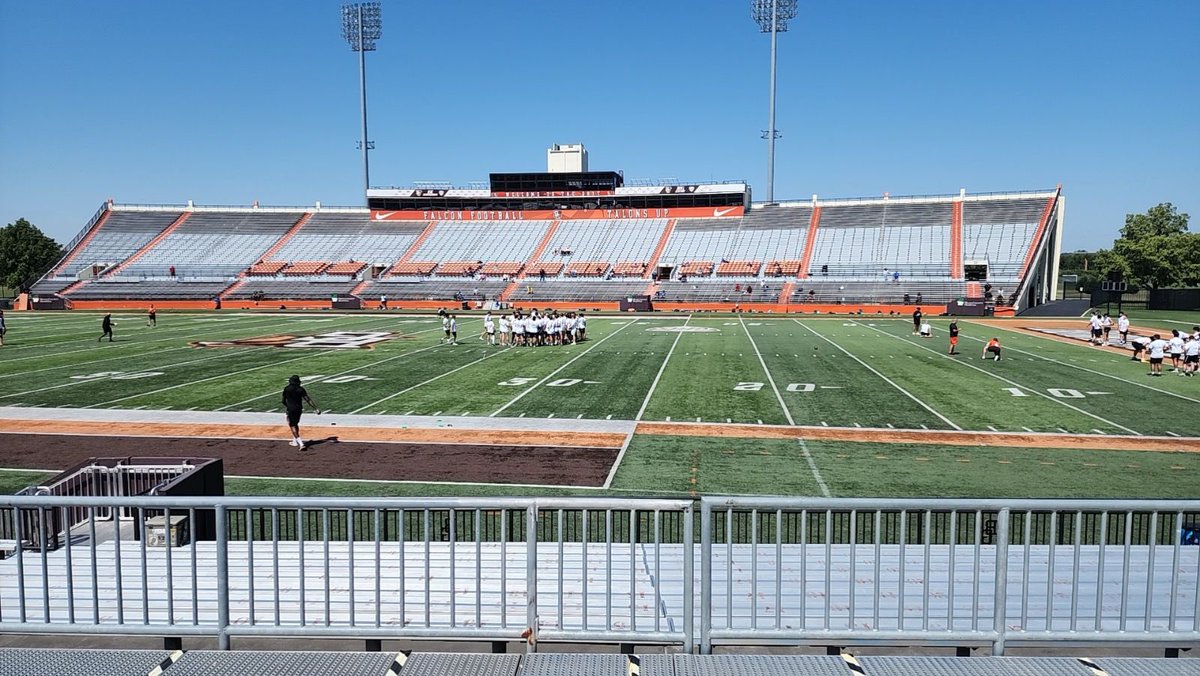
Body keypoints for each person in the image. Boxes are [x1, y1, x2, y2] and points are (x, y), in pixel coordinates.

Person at [282, 375, 320, 448]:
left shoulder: (287, 389)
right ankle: (294, 441)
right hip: (299, 409)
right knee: (296, 424)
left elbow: (283, 400)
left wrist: (288, 407)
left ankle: (301, 443)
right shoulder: (301, 389)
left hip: (291, 409)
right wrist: (316, 408)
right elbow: (308, 399)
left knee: (292, 425)